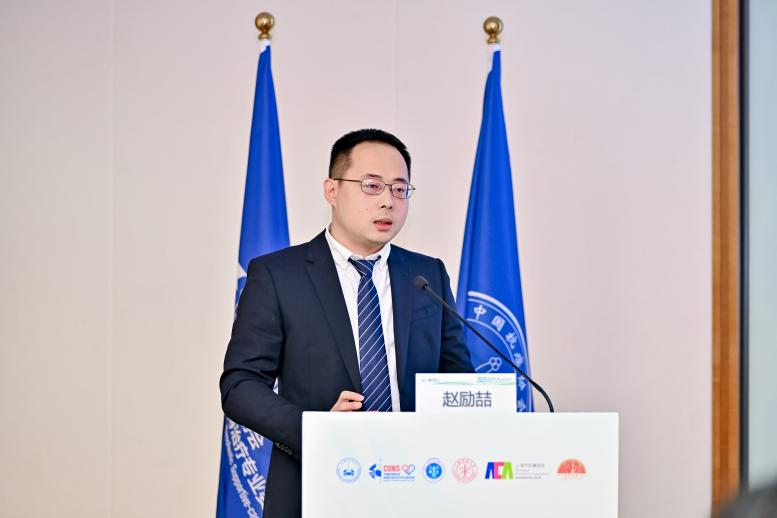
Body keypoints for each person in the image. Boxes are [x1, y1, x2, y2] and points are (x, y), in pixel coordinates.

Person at [220, 128, 474, 518]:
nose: (388, 201)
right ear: (332, 190)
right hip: (316, 485)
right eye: (372, 186)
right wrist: (316, 430)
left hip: (421, 485)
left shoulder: (427, 275)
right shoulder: (278, 275)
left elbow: (457, 377)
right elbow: (240, 385)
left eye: (400, 189)